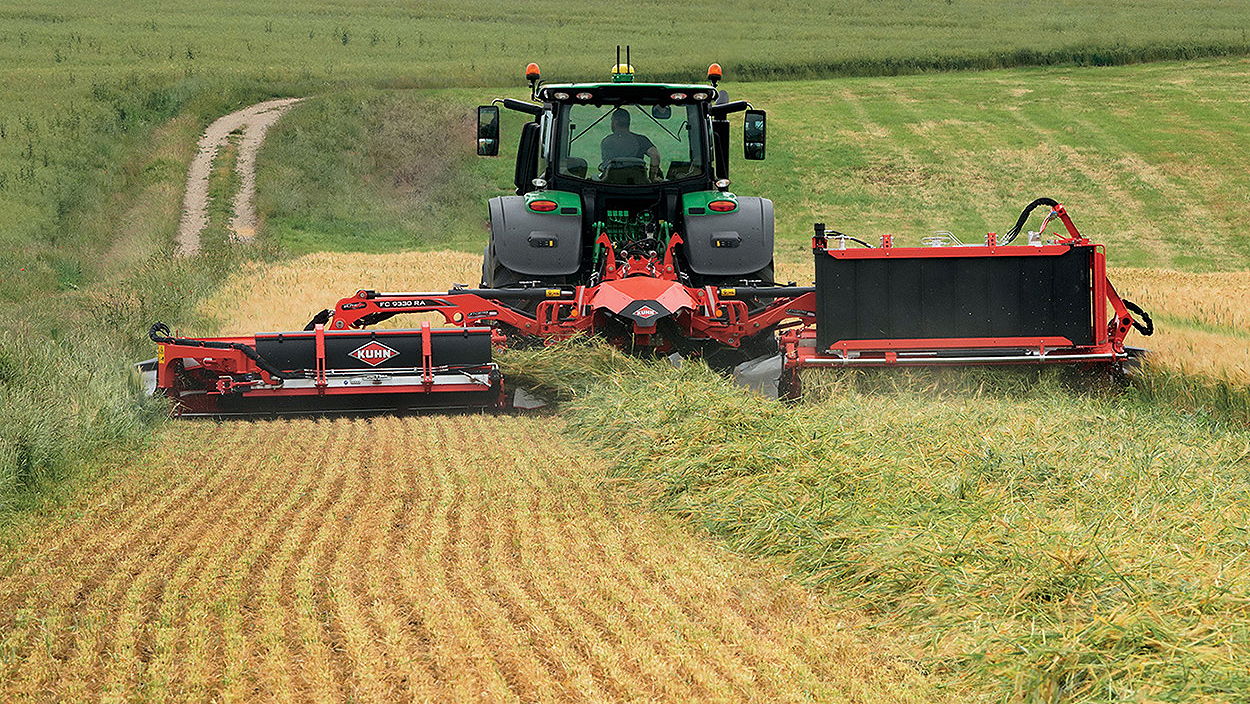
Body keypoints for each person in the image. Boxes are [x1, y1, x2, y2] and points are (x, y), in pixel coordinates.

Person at [599, 109, 661, 181]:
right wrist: (652, 178)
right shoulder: (641, 140)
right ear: (628, 122)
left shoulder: (607, 141)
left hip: (613, 185)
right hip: (638, 184)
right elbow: (655, 155)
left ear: (614, 122)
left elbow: (606, 167)